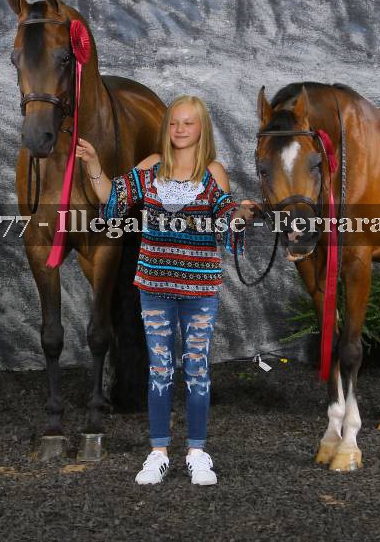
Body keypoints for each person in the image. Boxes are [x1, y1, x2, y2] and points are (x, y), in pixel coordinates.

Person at [76, 94, 257, 486]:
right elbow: (112, 198)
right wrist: (93, 164)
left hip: (200, 289)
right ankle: (157, 453)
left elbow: (225, 222)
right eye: (174, 122)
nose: (179, 129)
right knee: (159, 371)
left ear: (202, 128)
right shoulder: (151, 167)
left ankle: (197, 453)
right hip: (154, 286)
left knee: (196, 370)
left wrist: (241, 215)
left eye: (188, 123)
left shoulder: (213, 172)